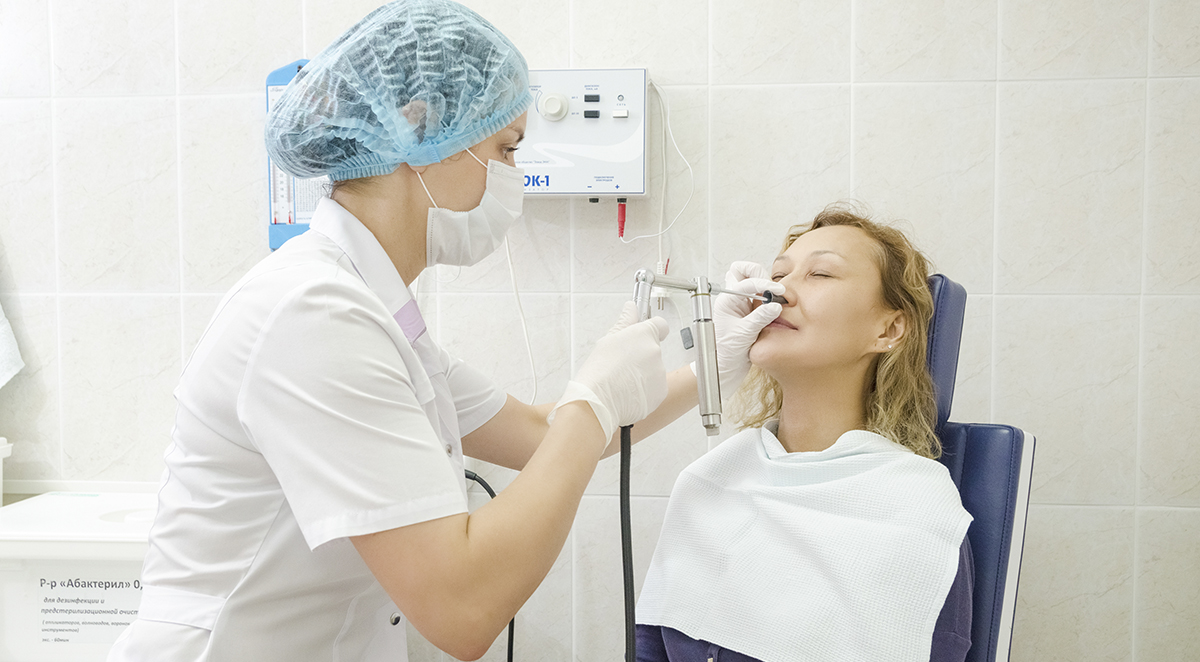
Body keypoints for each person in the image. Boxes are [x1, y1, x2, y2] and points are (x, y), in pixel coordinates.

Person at [106, 2, 673, 660]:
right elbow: (463, 608)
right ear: (418, 129)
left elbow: (539, 432)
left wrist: (720, 357)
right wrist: (596, 399)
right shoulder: (312, 314)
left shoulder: (374, 308)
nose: (513, 177)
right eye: (505, 149)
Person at [633, 205, 975, 662]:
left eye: (820, 274)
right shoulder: (708, 479)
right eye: (777, 275)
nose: (777, 292)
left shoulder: (916, 510)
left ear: (889, 329)